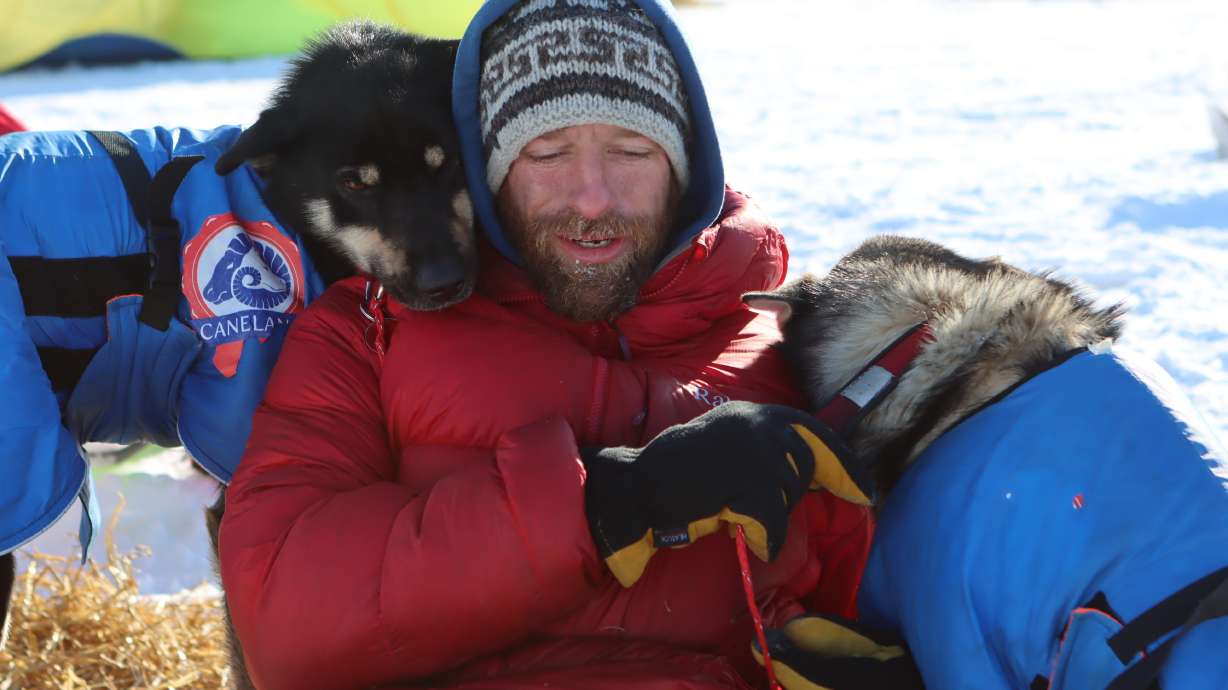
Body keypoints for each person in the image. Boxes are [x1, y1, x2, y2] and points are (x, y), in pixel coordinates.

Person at [219, 1, 875, 689]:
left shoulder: (782, 329)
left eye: (632, 149)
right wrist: (606, 504)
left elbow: (890, 569)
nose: (592, 198)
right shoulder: (360, 338)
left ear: (688, 164)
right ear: (489, 165)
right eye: (547, 151)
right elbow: (285, 631)